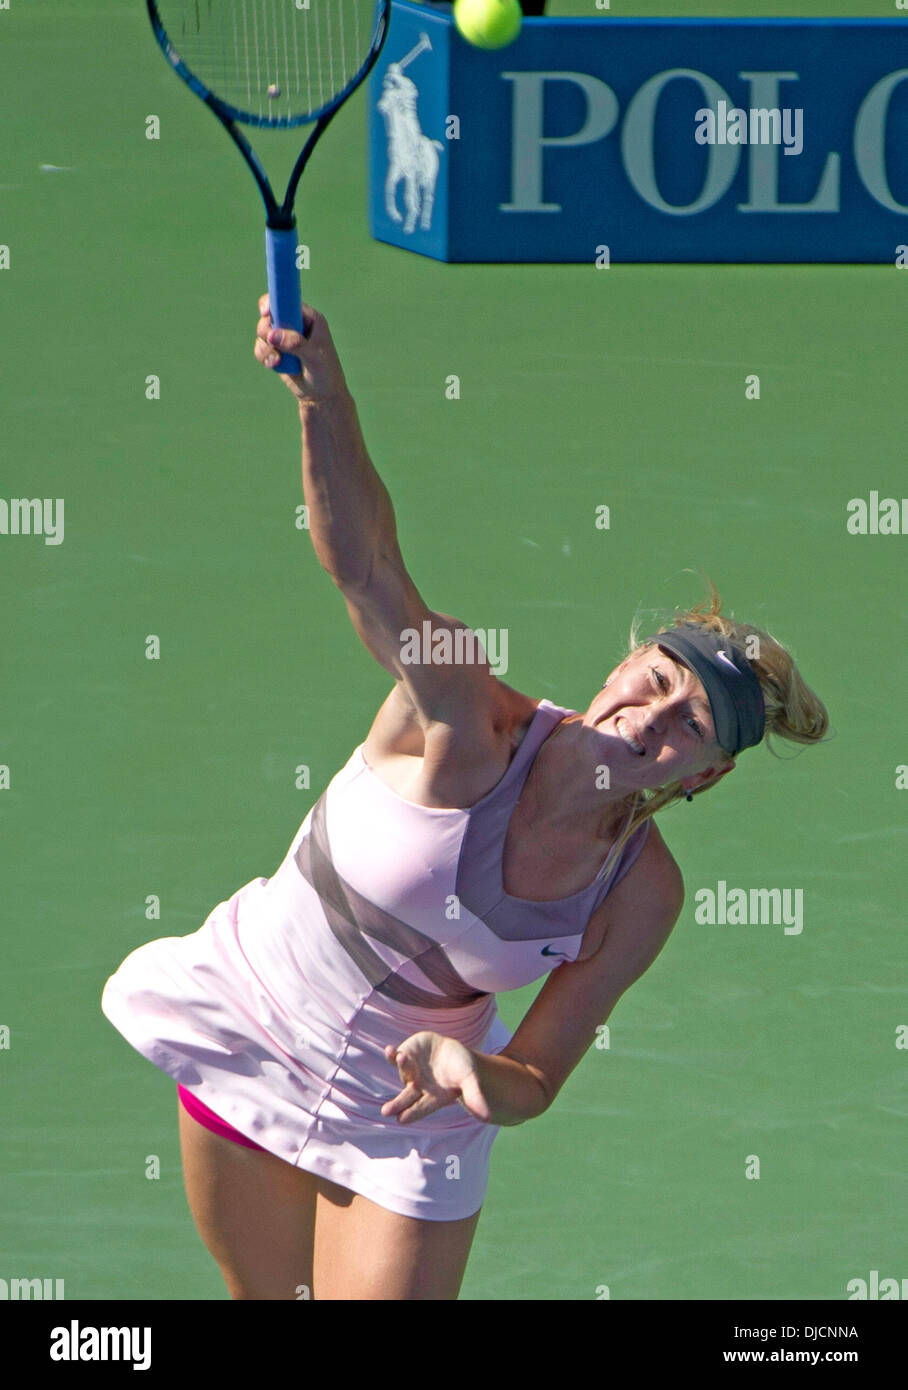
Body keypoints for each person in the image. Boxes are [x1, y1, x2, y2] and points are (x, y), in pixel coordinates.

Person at [100, 299, 829, 1300]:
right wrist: (324, 399)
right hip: (256, 1017)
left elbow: (534, 1076)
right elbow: (367, 568)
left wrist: (470, 1076)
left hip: (413, 1109)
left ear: (702, 775)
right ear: (623, 663)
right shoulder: (461, 712)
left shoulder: (638, 893)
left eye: (689, 726)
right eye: (656, 679)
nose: (651, 718)